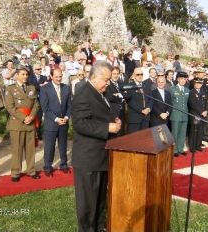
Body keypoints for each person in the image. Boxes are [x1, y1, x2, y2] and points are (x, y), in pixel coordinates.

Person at [72, 61, 121, 232]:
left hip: (102, 156)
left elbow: (100, 114)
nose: (108, 83)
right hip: (88, 158)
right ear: (94, 76)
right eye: (106, 80)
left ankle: (100, 227)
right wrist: (107, 128)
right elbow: (80, 124)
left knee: (100, 199)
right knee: (87, 203)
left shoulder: (101, 93)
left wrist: (114, 121)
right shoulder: (83, 93)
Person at [4, 66, 40, 182]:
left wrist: (31, 116)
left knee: (30, 149)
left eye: (26, 74)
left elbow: (36, 104)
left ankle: (31, 170)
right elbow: (10, 107)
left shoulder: (31, 87)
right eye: (23, 74)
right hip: (17, 123)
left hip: (30, 122)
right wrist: (24, 118)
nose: (25, 76)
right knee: (17, 149)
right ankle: (15, 172)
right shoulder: (10, 89)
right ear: (17, 75)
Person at [40, 69, 72, 176]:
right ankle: (48, 167)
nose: (59, 79)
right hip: (51, 124)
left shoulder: (66, 88)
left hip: (64, 123)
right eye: (57, 76)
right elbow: (45, 108)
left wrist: (66, 117)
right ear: (51, 76)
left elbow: (69, 105)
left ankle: (64, 165)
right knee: (49, 147)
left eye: (60, 76)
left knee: (63, 146)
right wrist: (56, 119)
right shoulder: (45, 89)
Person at [125, 67, 152, 133]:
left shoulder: (146, 85)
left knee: (145, 139)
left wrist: (148, 108)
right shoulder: (129, 86)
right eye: (138, 74)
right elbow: (129, 101)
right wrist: (141, 110)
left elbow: (151, 99)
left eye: (141, 74)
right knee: (134, 141)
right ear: (134, 75)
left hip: (146, 118)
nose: (140, 76)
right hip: (135, 119)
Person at [169, 72, 189, 156]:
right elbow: (169, 102)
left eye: (185, 79)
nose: (183, 80)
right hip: (175, 114)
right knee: (175, 133)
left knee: (182, 133)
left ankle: (180, 149)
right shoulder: (172, 89)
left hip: (184, 115)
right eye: (181, 78)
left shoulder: (187, 90)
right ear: (177, 79)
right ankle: (175, 150)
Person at [28, 63, 48, 140]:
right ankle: (33, 133)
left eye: (40, 69)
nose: (39, 70)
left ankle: (39, 134)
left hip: (41, 100)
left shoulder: (44, 77)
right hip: (33, 100)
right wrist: (40, 85)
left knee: (39, 118)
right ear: (34, 70)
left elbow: (46, 87)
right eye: (37, 69)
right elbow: (31, 86)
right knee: (32, 116)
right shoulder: (30, 78)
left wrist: (39, 86)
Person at [188, 78, 208, 153]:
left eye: (199, 83)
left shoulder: (203, 92)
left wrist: (206, 110)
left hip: (203, 114)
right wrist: (201, 111)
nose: (198, 84)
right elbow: (193, 104)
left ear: (201, 84)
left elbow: (206, 102)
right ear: (194, 84)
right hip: (195, 114)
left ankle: (198, 145)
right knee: (194, 131)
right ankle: (192, 147)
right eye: (196, 83)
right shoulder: (192, 92)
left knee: (200, 130)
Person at [105, 66, 125, 136]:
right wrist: (121, 96)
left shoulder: (121, 83)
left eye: (117, 74)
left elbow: (126, 94)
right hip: (113, 114)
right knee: (113, 136)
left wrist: (118, 95)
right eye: (114, 74)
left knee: (121, 134)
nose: (116, 75)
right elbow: (110, 97)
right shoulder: (107, 84)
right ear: (110, 74)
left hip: (122, 113)